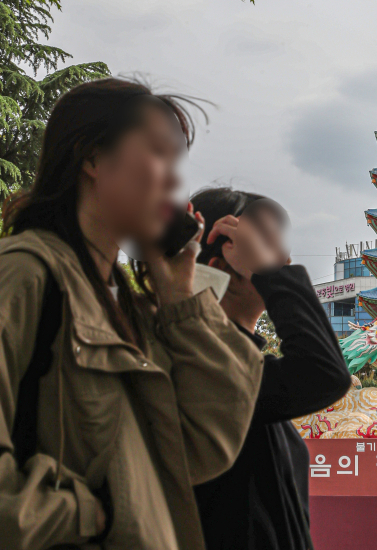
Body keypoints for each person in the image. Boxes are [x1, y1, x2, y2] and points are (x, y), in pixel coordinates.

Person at [0, 79, 276, 550]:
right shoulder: (26, 276)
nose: (172, 181)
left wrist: (180, 300)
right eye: (158, 154)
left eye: (177, 162)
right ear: (92, 158)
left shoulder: (133, 307)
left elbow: (201, 448)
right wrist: (89, 513)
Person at [191, 187, 351, 550]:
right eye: (260, 243)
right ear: (219, 268)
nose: (283, 257)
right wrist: (269, 272)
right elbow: (323, 373)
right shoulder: (204, 371)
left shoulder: (249, 368)